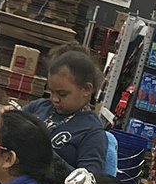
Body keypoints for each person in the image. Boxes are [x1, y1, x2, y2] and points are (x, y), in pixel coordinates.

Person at [24, 44, 109, 172]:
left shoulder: (92, 133)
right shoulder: (40, 106)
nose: (55, 99)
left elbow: (87, 182)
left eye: (62, 94)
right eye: (51, 92)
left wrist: (47, 155)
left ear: (86, 89)